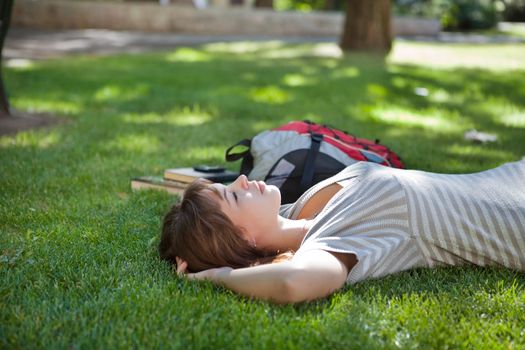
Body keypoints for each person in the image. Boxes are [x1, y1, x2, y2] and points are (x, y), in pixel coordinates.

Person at [159, 160, 525, 304]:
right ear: (244, 239)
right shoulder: (332, 237)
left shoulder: (297, 211)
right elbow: (292, 283)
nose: (240, 179)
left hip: (509, 177)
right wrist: (218, 276)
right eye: (233, 196)